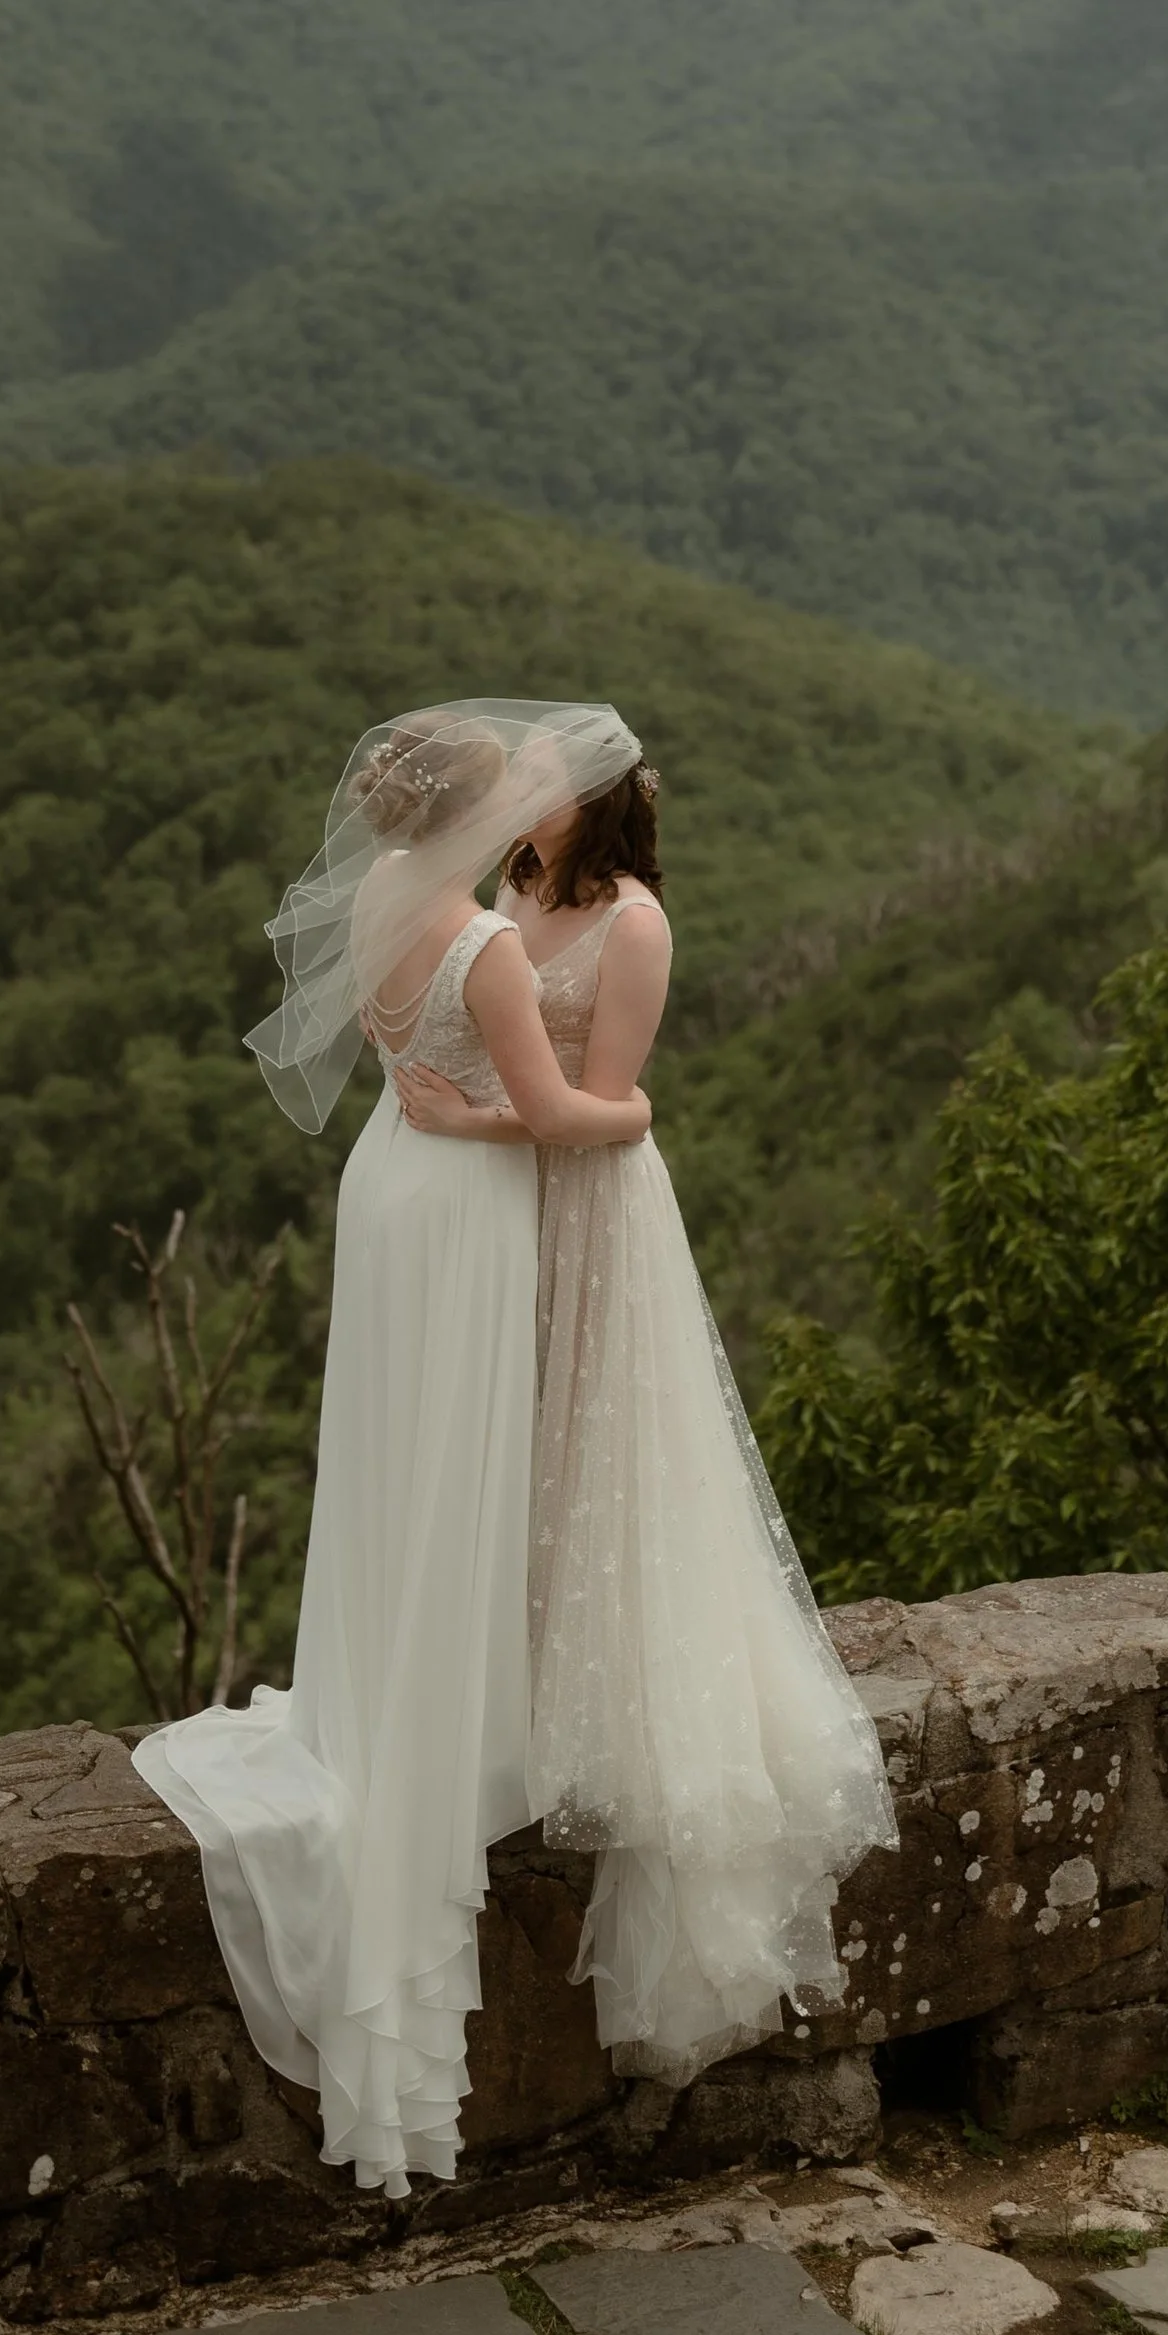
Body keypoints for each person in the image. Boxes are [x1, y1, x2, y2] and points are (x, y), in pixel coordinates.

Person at [132, 701, 651, 2200]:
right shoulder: (488, 948)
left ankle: (385, 1698)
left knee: (389, 1465)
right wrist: (634, 1113)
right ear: (477, 821)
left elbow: (417, 1076)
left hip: (386, 1187)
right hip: (468, 1211)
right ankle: (442, 1737)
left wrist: (460, 1110)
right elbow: (557, 1116)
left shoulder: (375, 898)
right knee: (454, 1475)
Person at [397, 745, 894, 2083]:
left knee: (597, 1456)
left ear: (599, 802)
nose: (520, 806)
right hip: (506, 1214)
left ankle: (596, 1709)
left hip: (594, 1208)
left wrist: (463, 1128)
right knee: (518, 1445)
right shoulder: (510, 895)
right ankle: (502, 1684)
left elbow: (608, 1111)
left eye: (544, 787)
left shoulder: (632, 921)